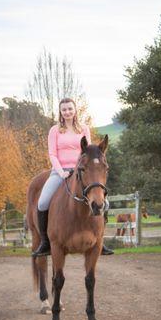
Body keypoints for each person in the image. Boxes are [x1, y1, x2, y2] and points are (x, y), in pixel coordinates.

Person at [32, 97, 114, 257]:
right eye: (64, 109)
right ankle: (45, 242)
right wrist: (61, 172)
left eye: (70, 108)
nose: (67, 112)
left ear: (74, 110)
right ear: (60, 112)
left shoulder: (83, 128)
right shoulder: (55, 130)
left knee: (105, 202)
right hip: (60, 171)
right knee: (42, 202)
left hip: (81, 171)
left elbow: (89, 153)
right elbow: (52, 154)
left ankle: (100, 240)